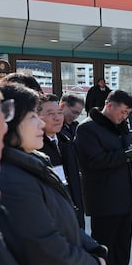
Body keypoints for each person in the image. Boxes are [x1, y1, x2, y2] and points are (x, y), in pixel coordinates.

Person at [0, 84, 108, 265]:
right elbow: (46, 248)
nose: (41, 123)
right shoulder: (11, 180)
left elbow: (65, 224)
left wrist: (96, 252)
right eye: (33, 116)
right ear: (9, 123)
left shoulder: (35, 163)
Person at [74, 90, 132, 265]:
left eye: (128, 113)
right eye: (122, 112)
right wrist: (126, 155)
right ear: (109, 105)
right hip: (103, 197)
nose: (124, 116)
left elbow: (126, 153)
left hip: (125, 194)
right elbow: (93, 161)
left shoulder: (121, 127)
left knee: (123, 241)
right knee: (105, 242)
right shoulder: (87, 128)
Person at [38, 93, 86, 228]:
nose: (57, 118)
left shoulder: (66, 141)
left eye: (59, 113)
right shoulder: (36, 149)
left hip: (73, 215)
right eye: (50, 114)